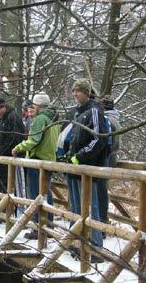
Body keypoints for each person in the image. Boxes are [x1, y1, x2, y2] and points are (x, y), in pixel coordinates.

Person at [63, 79, 107, 260]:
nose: (75, 94)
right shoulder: (78, 113)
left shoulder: (94, 111)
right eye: (73, 91)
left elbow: (99, 139)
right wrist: (68, 155)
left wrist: (79, 156)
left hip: (88, 169)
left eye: (78, 91)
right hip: (75, 168)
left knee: (90, 207)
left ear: (87, 92)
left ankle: (95, 248)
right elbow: (74, 138)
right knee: (75, 207)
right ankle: (78, 243)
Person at [12, 92, 60, 239]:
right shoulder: (54, 119)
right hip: (50, 158)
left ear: (39, 106)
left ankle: (38, 227)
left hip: (38, 160)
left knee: (35, 194)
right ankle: (48, 224)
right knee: (46, 193)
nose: (33, 108)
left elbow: (33, 140)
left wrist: (18, 147)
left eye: (34, 105)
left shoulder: (40, 119)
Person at [97, 95, 122, 225]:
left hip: (106, 159)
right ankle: (101, 220)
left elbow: (110, 143)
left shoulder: (108, 120)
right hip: (110, 158)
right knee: (101, 191)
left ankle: (101, 222)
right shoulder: (115, 119)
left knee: (100, 192)